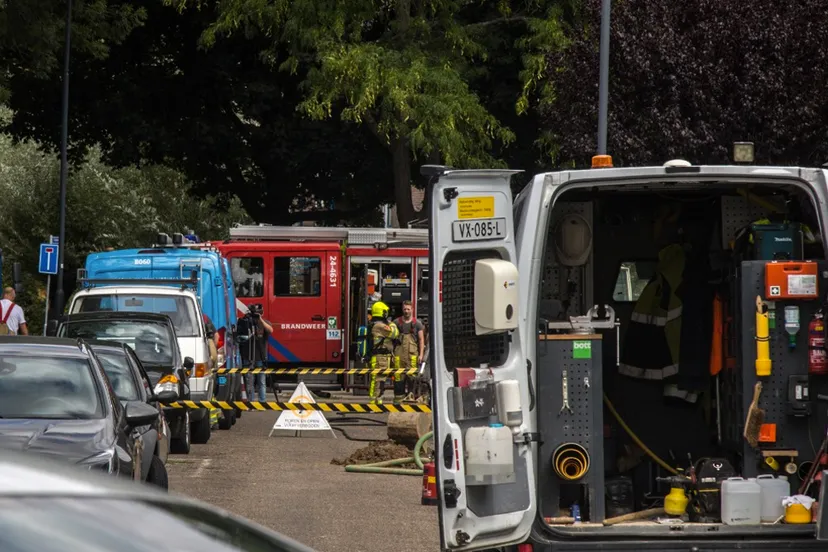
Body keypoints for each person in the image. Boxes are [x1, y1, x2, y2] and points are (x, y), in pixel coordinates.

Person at [393, 300, 425, 403]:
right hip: (398, 356)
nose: (406, 311)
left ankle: (411, 399)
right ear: (402, 309)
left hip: (412, 356)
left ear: (412, 310)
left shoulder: (417, 324)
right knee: (398, 378)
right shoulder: (396, 323)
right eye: (405, 309)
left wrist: (421, 355)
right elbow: (390, 339)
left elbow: (421, 340)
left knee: (412, 378)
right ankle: (398, 401)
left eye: (408, 309)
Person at [367, 301, 398, 405]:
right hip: (381, 358)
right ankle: (376, 402)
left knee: (378, 380)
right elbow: (394, 333)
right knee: (379, 380)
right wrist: (392, 324)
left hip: (380, 357)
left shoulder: (375, 324)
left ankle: (376, 401)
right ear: (382, 312)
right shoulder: (380, 326)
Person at [244, 310, 273, 403]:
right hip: (248, 355)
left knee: (261, 382)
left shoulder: (265, 323)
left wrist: (260, 319)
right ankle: (251, 402)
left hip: (261, 357)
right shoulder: (247, 323)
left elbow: (270, 330)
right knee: (249, 382)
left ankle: (262, 402)